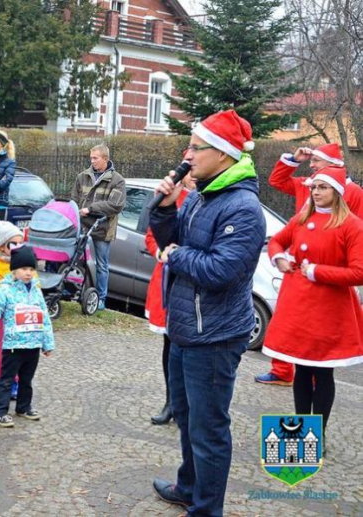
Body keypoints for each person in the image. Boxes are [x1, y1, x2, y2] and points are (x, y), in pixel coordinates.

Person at [149, 109, 266, 516]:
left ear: (224, 154)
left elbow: (220, 271)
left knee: (209, 428)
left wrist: (177, 256)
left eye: (198, 148)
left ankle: (206, 509)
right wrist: (165, 207)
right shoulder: (201, 193)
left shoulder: (243, 207)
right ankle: (188, 487)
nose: (189, 154)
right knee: (185, 415)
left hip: (214, 336)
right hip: (185, 328)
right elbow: (171, 238)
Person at [262, 166, 363, 439]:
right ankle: (300, 430)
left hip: (328, 311)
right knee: (302, 370)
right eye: (313, 187)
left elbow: (359, 272)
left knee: (322, 373)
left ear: (337, 191)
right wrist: (279, 259)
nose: (316, 192)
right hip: (298, 307)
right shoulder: (302, 218)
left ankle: (316, 434)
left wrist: (317, 271)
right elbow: (276, 243)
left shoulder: (351, 225)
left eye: (323, 187)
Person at [0, 246, 54, 427]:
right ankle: (0, 411)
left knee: (27, 380)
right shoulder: (5, 290)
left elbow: (44, 318)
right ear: (14, 270)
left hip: (33, 346)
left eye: (31, 269)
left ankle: (23, 407)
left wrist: (47, 344)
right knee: (6, 380)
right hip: (13, 346)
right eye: (24, 269)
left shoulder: (36, 291)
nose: (28, 273)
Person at [144, 166, 196, 426]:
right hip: (168, 279)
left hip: (196, 283)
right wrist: (160, 253)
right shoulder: (173, 197)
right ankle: (171, 401)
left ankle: (189, 405)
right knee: (169, 346)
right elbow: (151, 237)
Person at [70, 144, 126, 311]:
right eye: (91, 158)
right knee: (77, 260)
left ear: (105, 159)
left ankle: (101, 299)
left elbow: (115, 205)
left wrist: (91, 209)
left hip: (103, 227)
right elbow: (74, 199)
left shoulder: (117, 180)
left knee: (102, 265)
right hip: (83, 226)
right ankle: (78, 292)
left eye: (95, 158)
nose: (92, 161)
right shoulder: (82, 176)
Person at [0, 221, 24, 398]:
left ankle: (13, 380)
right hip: (1, 315)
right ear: (2, 246)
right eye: (12, 244)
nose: (17, 247)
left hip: (18, 315)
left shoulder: (22, 263)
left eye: (20, 243)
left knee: (16, 349)